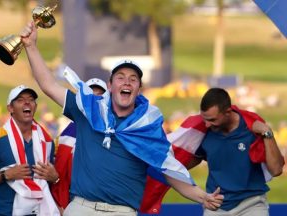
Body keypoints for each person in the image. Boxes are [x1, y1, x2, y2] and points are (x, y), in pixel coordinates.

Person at [20, 21, 224, 216]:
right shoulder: (88, 111)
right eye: (120, 77)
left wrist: (201, 197)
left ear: (138, 90)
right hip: (81, 207)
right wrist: (31, 47)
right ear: (110, 86)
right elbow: (48, 85)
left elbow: (169, 171)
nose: (127, 81)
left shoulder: (147, 128)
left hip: (122, 211)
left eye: (133, 79)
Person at [167, 88, 285, 216]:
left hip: (252, 204)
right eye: (204, 119)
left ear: (228, 112)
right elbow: (194, 159)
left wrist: (267, 132)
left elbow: (276, 170)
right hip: (216, 205)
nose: (206, 124)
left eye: (212, 120)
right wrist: (168, 169)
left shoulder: (252, 129)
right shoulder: (203, 131)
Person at [0, 85, 60, 216]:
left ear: (35, 106)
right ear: (10, 108)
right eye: (20, 100)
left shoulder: (47, 140)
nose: (27, 102)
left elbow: (52, 179)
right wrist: (5, 175)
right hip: (5, 213)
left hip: (41, 212)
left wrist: (55, 178)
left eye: (31, 99)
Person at [51, 78, 108, 211]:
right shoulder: (67, 134)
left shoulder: (113, 131)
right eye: (90, 95)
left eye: (99, 96)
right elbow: (59, 174)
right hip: (73, 204)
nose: (94, 100)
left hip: (105, 205)